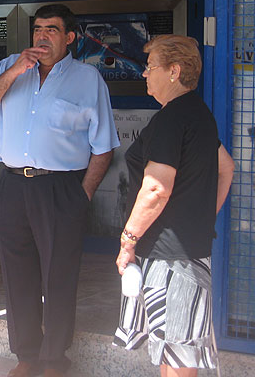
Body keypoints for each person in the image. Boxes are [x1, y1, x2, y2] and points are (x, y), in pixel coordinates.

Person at [0, 4, 119, 377]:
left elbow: (103, 147)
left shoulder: (87, 80)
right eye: (38, 29)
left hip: (61, 188)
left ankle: (54, 360)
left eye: (52, 30)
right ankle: (26, 355)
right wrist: (16, 70)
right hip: (14, 185)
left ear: (70, 37)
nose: (41, 36)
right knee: (17, 274)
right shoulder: (10, 67)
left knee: (59, 276)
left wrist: (81, 195)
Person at [114, 35, 234, 376]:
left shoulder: (172, 119)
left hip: (171, 258)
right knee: (172, 350)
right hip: (181, 250)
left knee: (178, 354)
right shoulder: (198, 114)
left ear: (174, 71)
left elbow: (155, 188)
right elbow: (227, 167)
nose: (144, 74)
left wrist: (129, 240)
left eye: (150, 67)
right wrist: (201, 213)